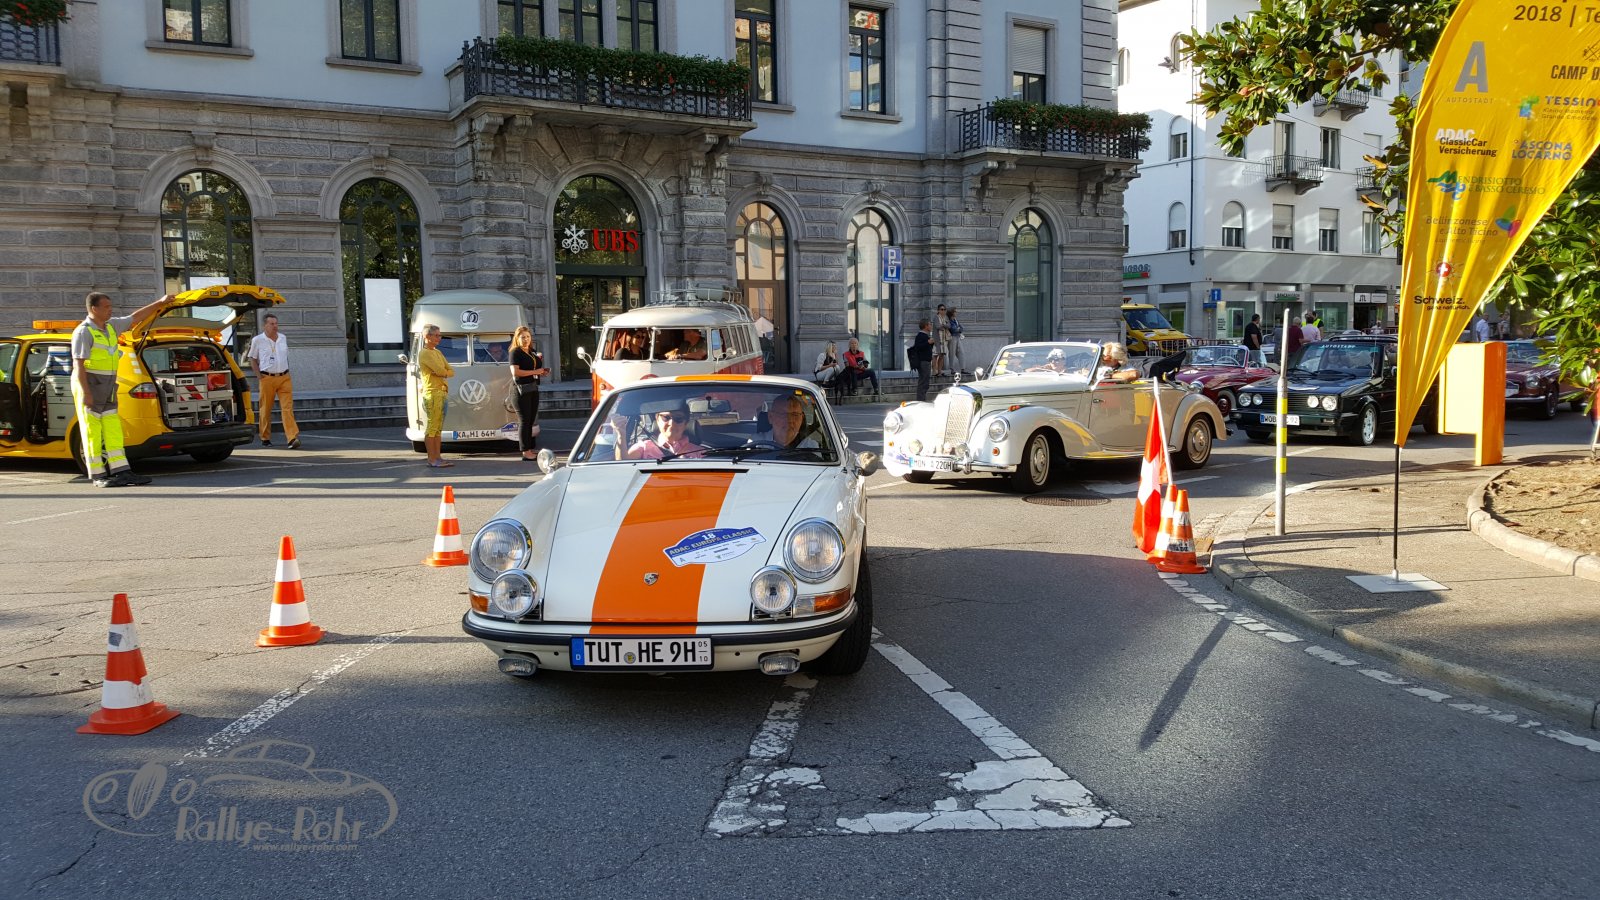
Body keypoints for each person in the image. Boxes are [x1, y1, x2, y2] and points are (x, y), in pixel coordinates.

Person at [71, 291, 166, 487]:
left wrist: (160, 303)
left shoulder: (111, 326)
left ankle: (121, 471)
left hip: (108, 386)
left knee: (113, 430)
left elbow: (135, 318)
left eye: (110, 306)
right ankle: (98, 476)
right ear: (94, 309)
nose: (110, 310)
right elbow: (78, 365)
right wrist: (86, 393)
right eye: (106, 307)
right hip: (90, 385)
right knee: (92, 432)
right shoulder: (83, 332)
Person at [246, 312, 301, 450]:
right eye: (272, 324)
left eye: (276, 323)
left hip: (284, 377)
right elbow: (252, 358)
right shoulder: (258, 340)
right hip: (267, 378)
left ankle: (292, 437)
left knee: (287, 408)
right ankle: (265, 437)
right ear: (265, 325)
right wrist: (259, 376)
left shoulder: (283, 338)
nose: (275, 326)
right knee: (265, 409)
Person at [417, 324, 455, 468]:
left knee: (438, 428)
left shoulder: (437, 352)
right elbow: (441, 370)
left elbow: (450, 371)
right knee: (432, 427)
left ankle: (438, 457)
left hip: (442, 392)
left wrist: (443, 373)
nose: (439, 338)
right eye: (437, 335)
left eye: (440, 335)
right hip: (432, 393)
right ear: (427, 336)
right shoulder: (425, 353)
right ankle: (432, 459)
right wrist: (442, 372)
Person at [510, 325, 550, 462]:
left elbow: (535, 368)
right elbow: (515, 372)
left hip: (532, 388)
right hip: (520, 390)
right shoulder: (515, 352)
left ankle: (529, 449)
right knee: (524, 421)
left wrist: (542, 372)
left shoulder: (531, 351)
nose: (526, 339)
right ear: (517, 338)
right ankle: (525, 452)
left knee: (531, 420)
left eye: (528, 337)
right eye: (523, 337)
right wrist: (535, 372)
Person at [626, 401, 705, 459]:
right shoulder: (643, 448)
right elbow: (624, 468)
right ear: (657, 419)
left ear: (686, 424)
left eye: (678, 419)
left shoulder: (700, 453)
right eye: (666, 417)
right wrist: (621, 436)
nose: (671, 423)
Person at [754, 393, 820, 449]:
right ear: (770, 417)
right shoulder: (756, 443)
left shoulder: (810, 447)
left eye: (795, 415)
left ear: (802, 418)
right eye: (783, 414)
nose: (789, 420)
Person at [910, 319, 934, 401]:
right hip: (923, 361)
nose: (931, 326)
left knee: (925, 382)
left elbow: (927, 348)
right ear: (925, 326)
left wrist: (931, 343)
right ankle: (920, 400)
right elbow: (918, 347)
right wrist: (928, 342)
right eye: (930, 324)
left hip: (926, 361)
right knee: (923, 382)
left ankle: (922, 399)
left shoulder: (926, 335)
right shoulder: (920, 335)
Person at [946, 306, 966, 374]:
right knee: (952, 353)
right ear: (951, 313)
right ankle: (952, 369)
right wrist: (958, 329)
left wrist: (958, 329)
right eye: (955, 311)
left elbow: (961, 328)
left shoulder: (955, 320)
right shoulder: (949, 321)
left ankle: (963, 369)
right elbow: (953, 329)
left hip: (957, 337)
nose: (956, 312)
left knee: (961, 352)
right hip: (952, 338)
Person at [933, 305, 951, 377]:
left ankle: (940, 371)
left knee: (942, 355)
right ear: (938, 310)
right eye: (941, 309)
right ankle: (934, 371)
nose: (943, 311)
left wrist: (943, 325)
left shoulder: (946, 317)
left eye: (944, 309)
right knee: (935, 355)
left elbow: (949, 326)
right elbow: (938, 326)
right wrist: (945, 325)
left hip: (944, 340)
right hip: (937, 339)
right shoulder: (936, 317)